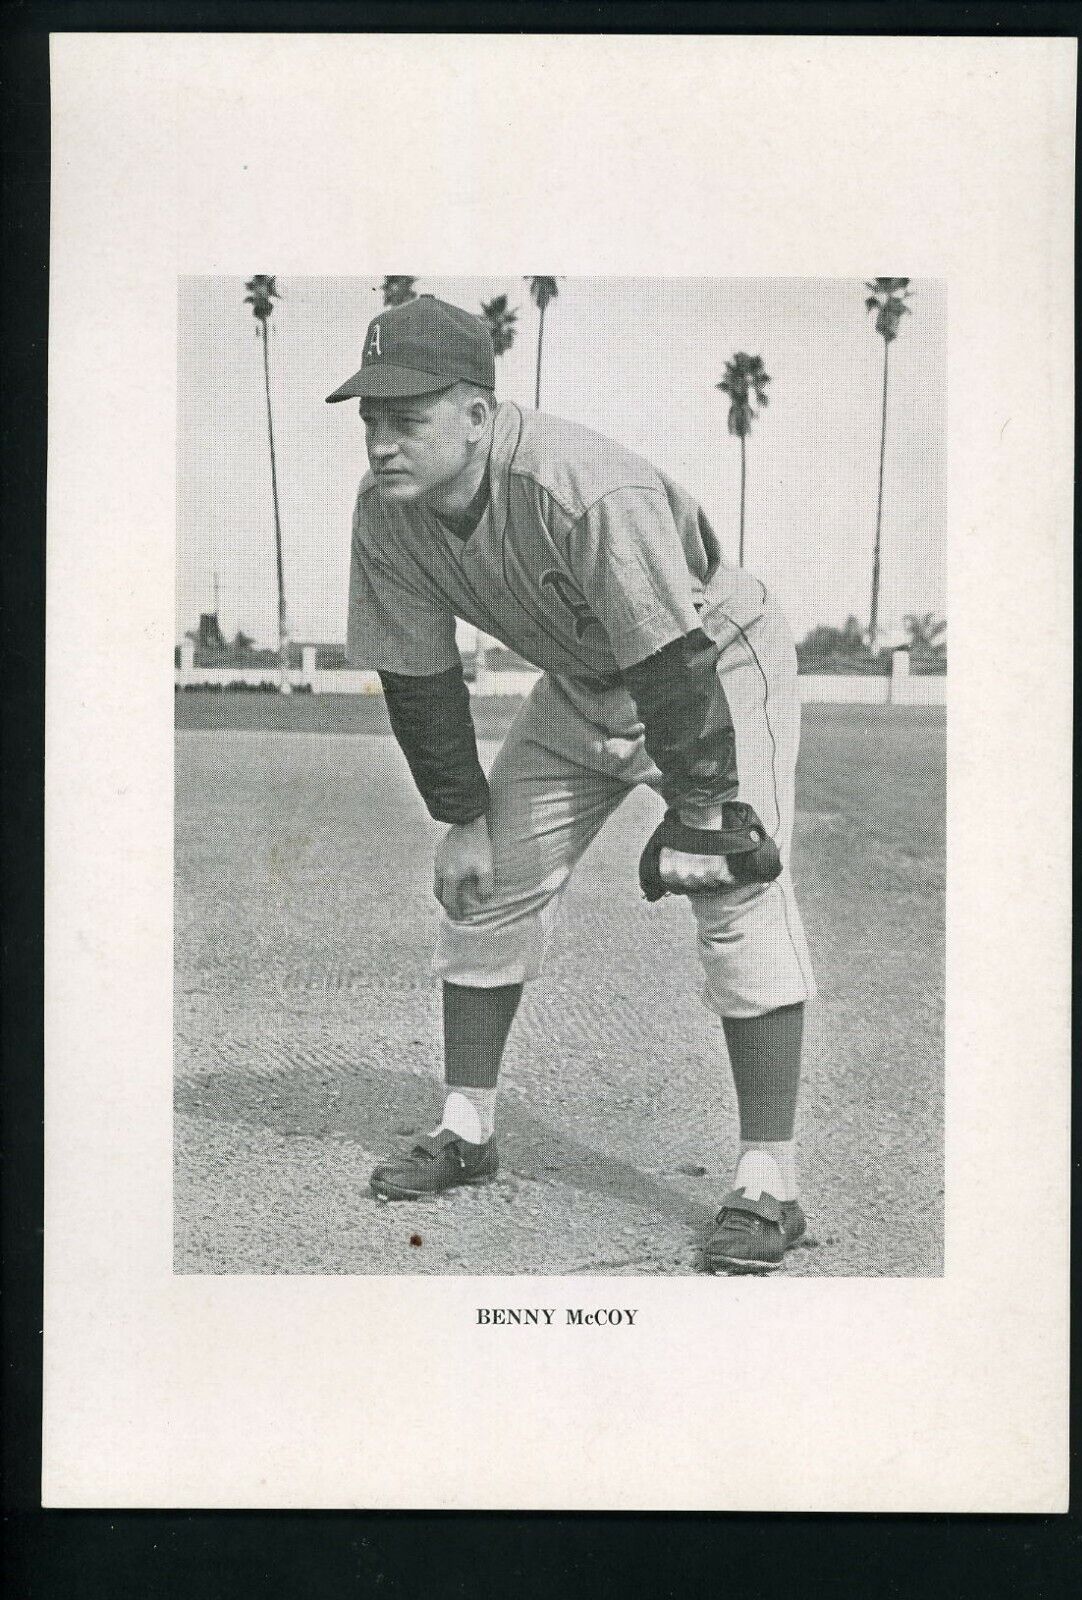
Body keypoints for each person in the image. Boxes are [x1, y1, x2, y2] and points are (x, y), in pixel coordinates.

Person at [326, 294, 816, 1272]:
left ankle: (770, 1181)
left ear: (476, 413)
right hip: (586, 686)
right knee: (484, 880)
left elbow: (671, 658)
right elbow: (417, 673)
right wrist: (463, 818)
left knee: (734, 886)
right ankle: (466, 1125)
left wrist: (704, 805)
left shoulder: (581, 486)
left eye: (406, 418)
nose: (382, 443)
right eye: (370, 419)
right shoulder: (389, 515)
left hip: (710, 666)